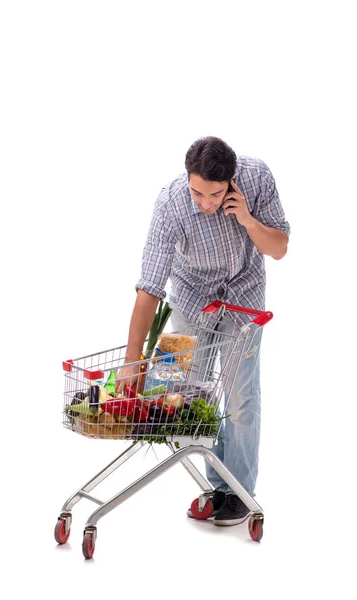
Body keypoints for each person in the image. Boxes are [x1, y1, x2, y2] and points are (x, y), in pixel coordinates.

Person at [117, 136, 290, 526]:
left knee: (241, 398)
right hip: (191, 299)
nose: (205, 203)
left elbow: (279, 248)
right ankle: (217, 485)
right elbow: (149, 288)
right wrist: (132, 361)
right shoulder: (171, 204)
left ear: (231, 182)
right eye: (198, 192)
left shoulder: (257, 177)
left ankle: (239, 493)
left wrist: (247, 219)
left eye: (214, 195)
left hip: (243, 299)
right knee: (181, 396)